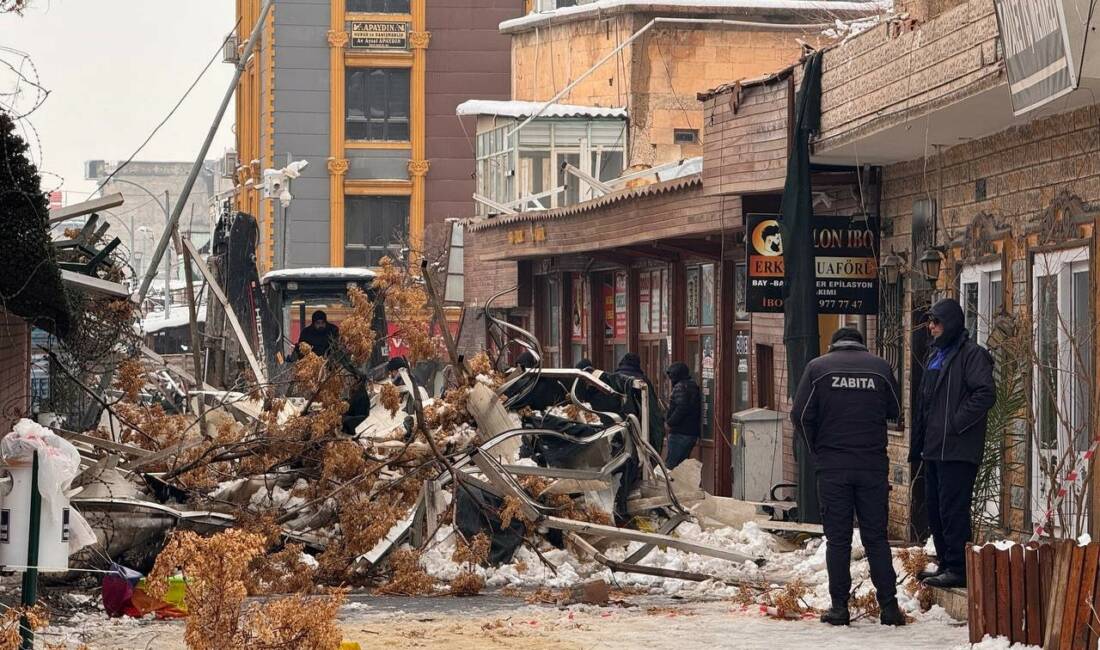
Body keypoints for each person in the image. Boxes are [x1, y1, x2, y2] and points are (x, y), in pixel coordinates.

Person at [791, 327, 905, 627]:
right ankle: (890, 607)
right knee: (877, 539)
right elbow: (895, 410)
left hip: (833, 467)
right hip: (872, 466)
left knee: (838, 540)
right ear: (861, 344)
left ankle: (840, 608)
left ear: (834, 345)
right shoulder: (880, 368)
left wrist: (817, 449)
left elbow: (800, 415)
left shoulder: (817, 368)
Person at [910, 298, 995, 589]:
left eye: (936, 322)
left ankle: (959, 568)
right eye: (929, 322)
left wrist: (956, 423)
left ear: (951, 324)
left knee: (952, 508)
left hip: (957, 449)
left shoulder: (972, 356)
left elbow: (985, 393)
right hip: (934, 448)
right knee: (934, 508)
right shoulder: (935, 356)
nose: (931, 328)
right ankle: (946, 562)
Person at [664, 362, 701, 470]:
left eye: (671, 376)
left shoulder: (680, 387)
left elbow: (681, 408)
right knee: (681, 467)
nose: (670, 379)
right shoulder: (692, 385)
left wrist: (669, 422)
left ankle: (671, 487)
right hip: (691, 432)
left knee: (671, 466)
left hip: (679, 432)